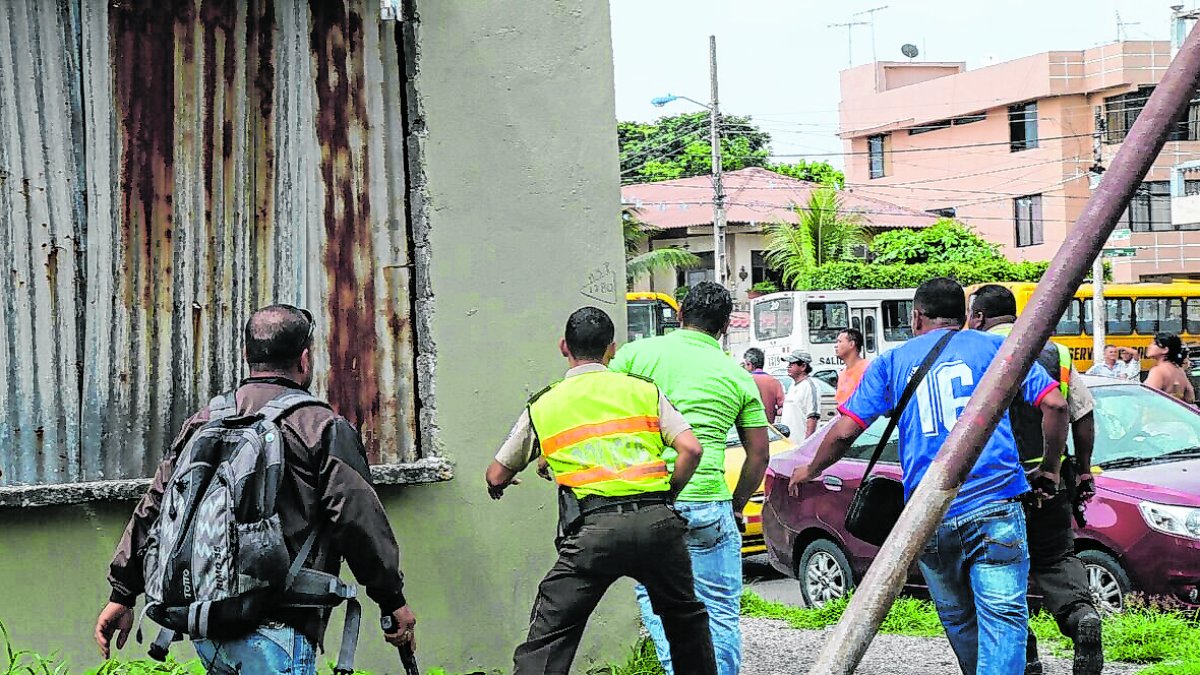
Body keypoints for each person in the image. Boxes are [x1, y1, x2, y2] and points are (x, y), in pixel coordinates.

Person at [94, 305, 415, 674]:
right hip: (281, 624)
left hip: (208, 624)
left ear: (246, 354)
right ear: (305, 359)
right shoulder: (321, 427)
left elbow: (155, 507)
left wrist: (122, 593)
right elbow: (357, 522)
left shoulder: (204, 422)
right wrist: (392, 600)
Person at [788, 277, 1070, 675]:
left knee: (959, 618)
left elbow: (845, 431)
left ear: (916, 316)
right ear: (966, 316)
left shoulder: (892, 362)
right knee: (1004, 616)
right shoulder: (995, 348)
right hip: (996, 503)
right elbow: (1056, 407)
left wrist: (810, 468)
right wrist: (1051, 469)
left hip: (930, 512)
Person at [485, 307, 717, 675]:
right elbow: (692, 448)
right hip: (659, 524)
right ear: (612, 348)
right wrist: (667, 496)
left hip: (594, 533)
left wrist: (502, 483)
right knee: (686, 620)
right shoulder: (643, 391)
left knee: (549, 635)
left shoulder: (545, 404)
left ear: (564, 347)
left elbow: (497, 473)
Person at [609, 281, 769, 675]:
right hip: (712, 502)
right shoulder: (736, 375)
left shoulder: (636, 355)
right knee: (721, 613)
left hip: (653, 501)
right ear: (725, 326)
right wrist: (734, 504)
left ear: (680, 315)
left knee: (660, 604)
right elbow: (759, 456)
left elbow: (601, 402)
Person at [969, 285, 1103, 675]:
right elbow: (1082, 414)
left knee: (998, 570)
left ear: (978, 317)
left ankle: (1025, 657)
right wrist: (1079, 470)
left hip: (994, 485)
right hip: (1049, 480)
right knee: (1056, 558)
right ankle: (1080, 617)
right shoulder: (1055, 353)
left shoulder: (974, 352)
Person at [780, 349, 821, 439]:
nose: (788, 367)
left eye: (792, 364)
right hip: (788, 444)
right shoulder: (792, 386)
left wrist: (806, 445)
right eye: (788, 364)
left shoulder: (810, 386)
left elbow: (812, 417)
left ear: (803, 366)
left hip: (801, 445)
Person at [1145, 332, 1196, 404]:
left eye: (1154, 344)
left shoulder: (1158, 371)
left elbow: (1148, 399)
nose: (1149, 346)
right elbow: (1190, 397)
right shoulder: (1179, 370)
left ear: (1165, 350)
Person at [743, 347, 785, 422]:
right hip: (768, 429)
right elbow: (782, 407)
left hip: (747, 428)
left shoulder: (744, 381)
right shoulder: (774, 382)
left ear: (749, 364)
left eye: (745, 364)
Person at [834, 327, 868, 405]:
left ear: (852, 344)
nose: (836, 346)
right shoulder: (842, 374)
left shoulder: (867, 369)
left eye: (839, 342)